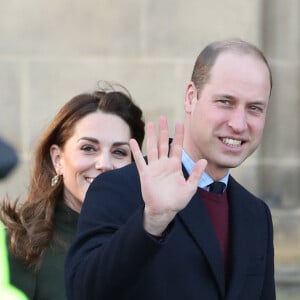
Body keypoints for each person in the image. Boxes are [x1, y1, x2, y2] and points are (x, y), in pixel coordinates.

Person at [65, 39, 276, 300]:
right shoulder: (119, 188)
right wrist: (151, 222)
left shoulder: (256, 215)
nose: (238, 123)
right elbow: (84, 291)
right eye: (225, 102)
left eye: (254, 108)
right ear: (191, 97)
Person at [0, 82, 145, 300]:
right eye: (88, 148)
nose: (104, 163)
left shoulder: (152, 241)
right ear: (58, 159)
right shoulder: (17, 246)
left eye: (119, 152)